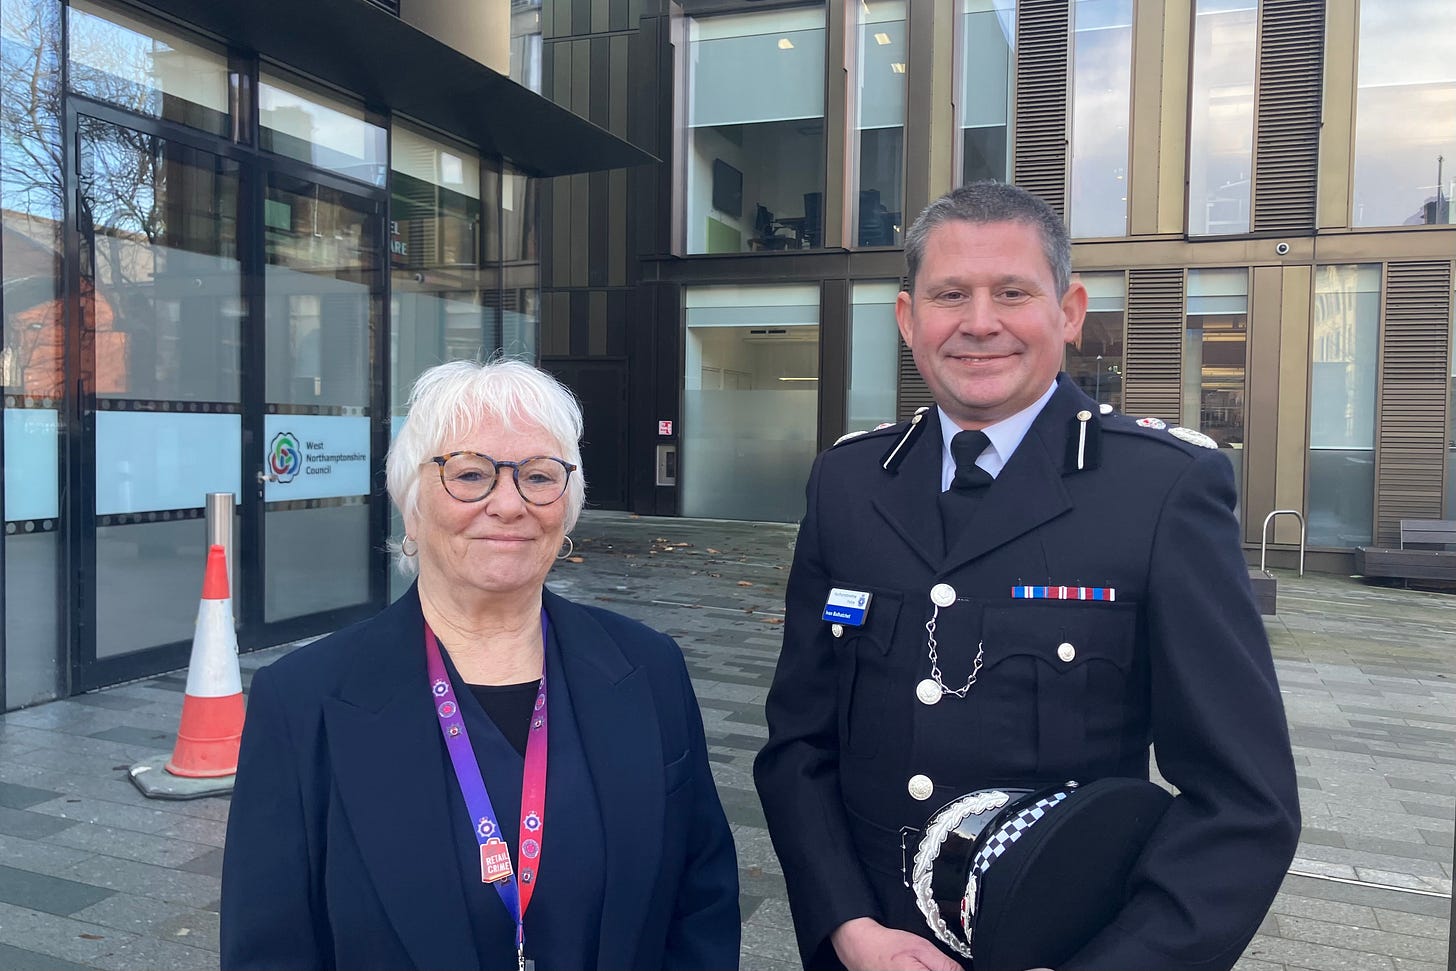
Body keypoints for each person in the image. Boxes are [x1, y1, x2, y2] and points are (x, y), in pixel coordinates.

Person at [754, 182, 1299, 971]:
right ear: (908, 318)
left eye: (1012, 292)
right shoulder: (849, 483)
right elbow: (798, 744)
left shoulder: (1161, 491)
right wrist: (848, 926)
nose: (980, 321)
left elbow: (1245, 804)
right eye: (950, 294)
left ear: (1069, 312)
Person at [221, 359, 740, 971]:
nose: (509, 504)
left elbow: (701, 903)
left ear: (567, 507)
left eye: (539, 476)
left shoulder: (649, 668)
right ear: (412, 506)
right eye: (470, 474)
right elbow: (272, 947)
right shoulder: (303, 701)